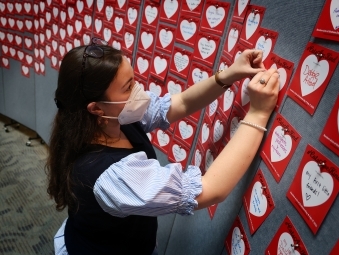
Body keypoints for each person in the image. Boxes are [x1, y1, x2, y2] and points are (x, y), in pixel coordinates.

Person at [47, 37, 279, 255]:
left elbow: (182, 103)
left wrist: (227, 75)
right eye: (128, 87)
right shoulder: (114, 175)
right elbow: (211, 189)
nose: (138, 91)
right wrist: (258, 113)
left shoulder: (112, 116)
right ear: (96, 108)